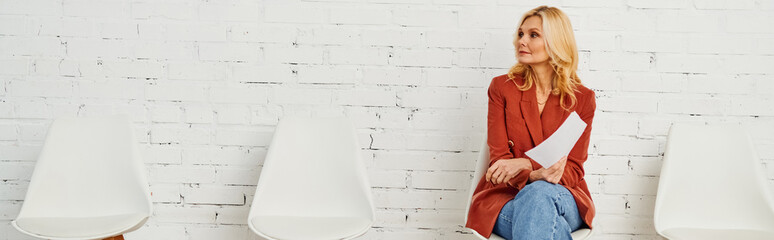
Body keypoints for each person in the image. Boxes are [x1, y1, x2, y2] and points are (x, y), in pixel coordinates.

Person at [466, 6, 596, 240]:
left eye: (533, 35)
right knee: (542, 213)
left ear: (556, 42)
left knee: (539, 196)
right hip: (506, 198)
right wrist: (535, 175)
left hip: (564, 196)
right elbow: (500, 164)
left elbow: (573, 169)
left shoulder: (582, 99)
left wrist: (525, 164)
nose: (521, 41)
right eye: (520, 34)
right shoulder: (502, 88)